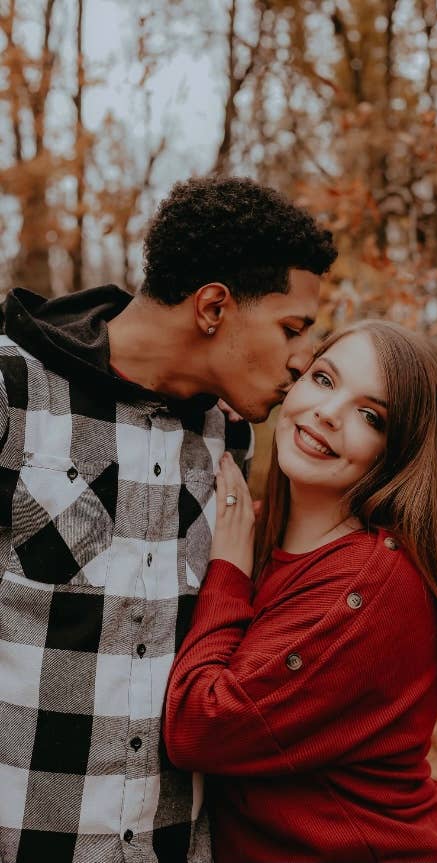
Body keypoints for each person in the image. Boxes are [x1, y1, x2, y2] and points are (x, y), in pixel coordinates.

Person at [0, 176, 336, 863]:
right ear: (213, 306)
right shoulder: (14, 391)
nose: (303, 359)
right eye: (292, 328)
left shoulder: (229, 437)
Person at [163, 319, 437, 863]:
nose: (329, 412)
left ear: (400, 453)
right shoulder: (259, 532)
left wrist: (229, 573)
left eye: (371, 416)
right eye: (324, 379)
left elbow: (200, 727)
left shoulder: (370, 584)